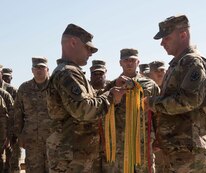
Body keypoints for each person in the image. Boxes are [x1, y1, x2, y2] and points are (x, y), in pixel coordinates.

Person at [144, 14, 206, 172]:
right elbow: (170, 104)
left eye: (166, 38)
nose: (162, 43)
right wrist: (161, 136)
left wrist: (151, 103)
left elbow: (189, 100)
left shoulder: (193, 62)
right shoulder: (177, 64)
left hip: (188, 150)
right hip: (175, 148)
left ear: (183, 35)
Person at [46, 23, 124, 173]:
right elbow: (84, 109)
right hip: (72, 158)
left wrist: (112, 87)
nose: (91, 53)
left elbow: (89, 100)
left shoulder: (72, 72)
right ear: (73, 43)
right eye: (88, 48)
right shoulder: (67, 73)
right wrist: (112, 96)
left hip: (78, 154)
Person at [103, 48, 160, 173]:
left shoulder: (149, 84)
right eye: (126, 60)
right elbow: (103, 112)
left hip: (143, 140)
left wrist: (159, 138)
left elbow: (158, 113)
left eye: (132, 60)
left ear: (138, 62)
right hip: (120, 142)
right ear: (120, 63)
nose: (129, 63)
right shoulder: (111, 85)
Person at [14, 57, 51, 173]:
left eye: (42, 67)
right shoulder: (24, 88)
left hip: (53, 140)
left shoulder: (55, 86)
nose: (39, 70)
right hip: (32, 141)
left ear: (47, 69)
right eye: (36, 67)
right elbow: (18, 113)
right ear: (32, 70)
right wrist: (19, 135)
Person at [0, 66, 19, 173]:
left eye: (9, 77)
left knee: (12, 163)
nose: (7, 79)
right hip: (1, 133)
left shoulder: (11, 91)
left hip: (11, 133)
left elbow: (16, 113)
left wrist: (13, 134)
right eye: (5, 77)